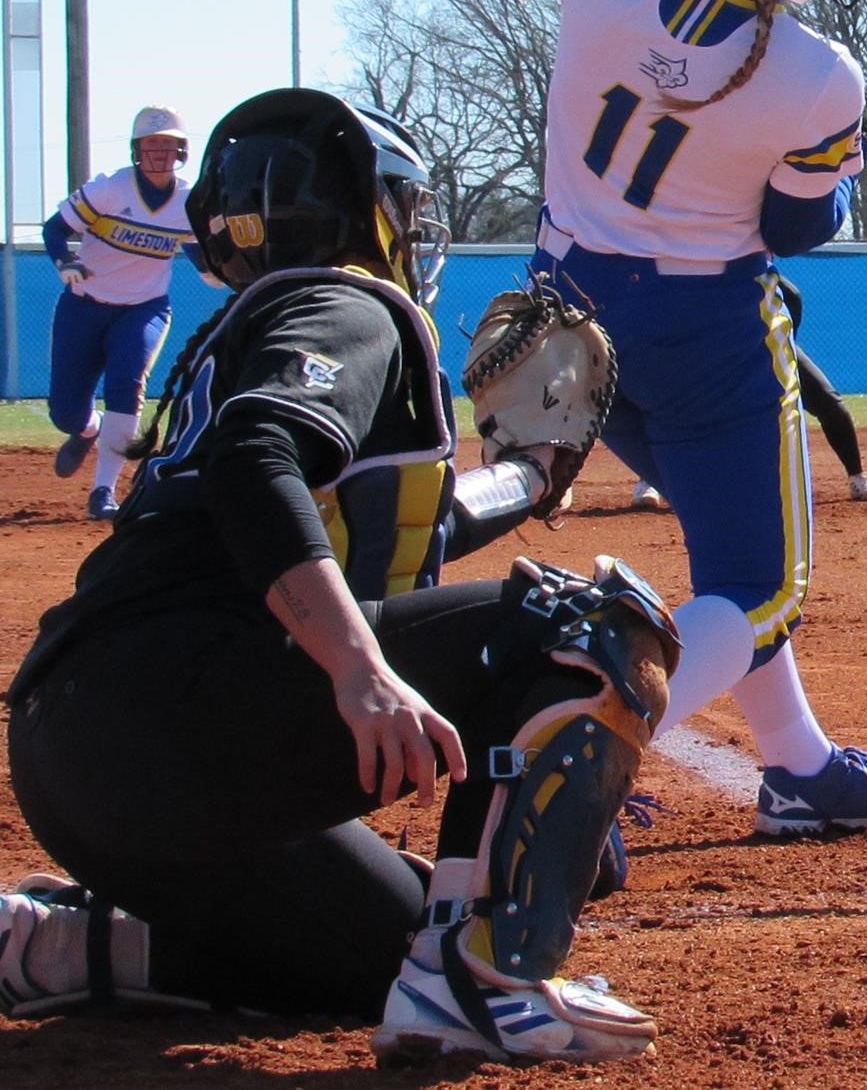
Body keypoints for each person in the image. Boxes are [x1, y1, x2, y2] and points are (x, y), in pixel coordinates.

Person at [1, 88, 678, 1065]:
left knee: (384, 955)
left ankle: (68, 944)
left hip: (91, 761)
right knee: (589, 622)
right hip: (168, 711)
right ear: (359, 212)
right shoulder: (348, 301)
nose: (411, 231)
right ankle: (480, 989)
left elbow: (365, 519)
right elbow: (255, 459)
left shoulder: (256, 323)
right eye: (400, 206)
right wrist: (361, 672)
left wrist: (526, 476)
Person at [519, 0, 867, 837]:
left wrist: (836, 134)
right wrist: (844, 152)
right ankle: (581, 751)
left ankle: (798, 768)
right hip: (699, 335)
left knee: (723, 555)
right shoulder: (817, 79)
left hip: (562, 318)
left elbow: (674, 56)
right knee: (758, 592)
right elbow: (797, 229)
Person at [41, 106, 199, 521]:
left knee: (127, 385)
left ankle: (103, 492)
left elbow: (203, 252)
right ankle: (87, 428)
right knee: (65, 412)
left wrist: (218, 271)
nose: (159, 153)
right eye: (151, 145)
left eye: (167, 144)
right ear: (136, 150)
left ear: (181, 150)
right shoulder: (110, 190)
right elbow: (53, 229)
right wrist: (65, 264)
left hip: (143, 308)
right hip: (85, 305)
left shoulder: (190, 200)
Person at [630, 271, 867, 507]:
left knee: (827, 401)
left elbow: (792, 298)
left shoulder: (759, 274)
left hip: (768, 343)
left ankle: (857, 475)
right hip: (705, 351)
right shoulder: (689, 277)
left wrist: (783, 340)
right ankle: (651, 479)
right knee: (668, 406)